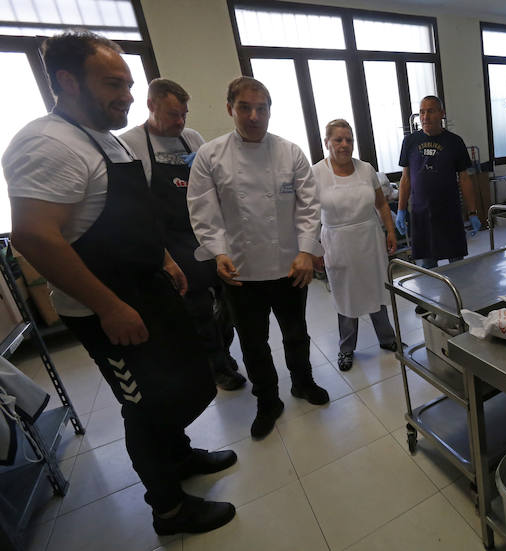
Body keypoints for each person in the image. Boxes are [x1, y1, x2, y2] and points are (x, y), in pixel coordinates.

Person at [2, 32, 236, 535]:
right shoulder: (46, 142)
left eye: (129, 84)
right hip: (107, 307)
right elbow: (34, 236)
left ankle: (180, 456)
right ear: (67, 81)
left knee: (183, 383)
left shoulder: (103, 135)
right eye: (113, 83)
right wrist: (108, 306)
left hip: (148, 286)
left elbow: (127, 214)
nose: (127, 95)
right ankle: (169, 509)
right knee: (144, 407)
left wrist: (165, 259)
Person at [187, 77, 329, 440]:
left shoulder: (289, 152)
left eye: (261, 108)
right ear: (229, 108)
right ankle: (268, 400)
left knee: (296, 333)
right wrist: (217, 251)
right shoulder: (211, 155)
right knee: (253, 343)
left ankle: (303, 382)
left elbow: (309, 206)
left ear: (269, 109)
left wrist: (306, 251)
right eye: (245, 108)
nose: (254, 116)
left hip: (290, 266)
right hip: (240, 270)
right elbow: (204, 211)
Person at [121, 79, 246, 391]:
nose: (180, 122)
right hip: (173, 243)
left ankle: (224, 352)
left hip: (207, 234)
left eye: (184, 115)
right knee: (199, 311)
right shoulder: (131, 144)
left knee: (229, 303)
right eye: (173, 115)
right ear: (151, 105)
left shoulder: (191, 139)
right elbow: (134, 206)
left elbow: (213, 186)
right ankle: (217, 366)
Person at [311, 119, 398, 371]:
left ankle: (387, 338)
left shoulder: (366, 169)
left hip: (369, 238)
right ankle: (346, 348)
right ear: (327, 142)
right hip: (337, 242)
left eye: (349, 140)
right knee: (345, 295)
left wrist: (390, 230)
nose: (344, 145)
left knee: (376, 288)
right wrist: (312, 248)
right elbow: (308, 213)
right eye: (338, 140)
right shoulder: (317, 173)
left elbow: (381, 204)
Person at [396, 95, 481, 269]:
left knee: (458, 269)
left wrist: (472, 212)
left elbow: (465, 179)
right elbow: (406, 178)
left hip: (449, 213)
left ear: (442, 113)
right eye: (422, 112)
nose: (425, 117)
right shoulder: (410, 142)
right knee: (427, 270)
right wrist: (401, 209)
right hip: (421, 214)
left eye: (430, 111)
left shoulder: (455, 142)